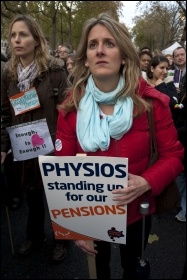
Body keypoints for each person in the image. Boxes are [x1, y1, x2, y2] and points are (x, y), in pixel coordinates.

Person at [54, 13, 184, 279]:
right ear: (86, 58)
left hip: (138, 211)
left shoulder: (152, 104)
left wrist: (147, 181)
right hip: (91, 214)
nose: (100, 50)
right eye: (93, 45)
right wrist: (76, 227)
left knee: (133, 270)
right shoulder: (70, 108)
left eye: (109, 43)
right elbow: (62, 169)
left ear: (124, 55)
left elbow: (174, 156)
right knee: (98, 271)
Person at [1, 14, 69, 262]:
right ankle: (35, 236)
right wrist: (3, 147)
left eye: (23, 34)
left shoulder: (55, 72)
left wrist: (63, 146)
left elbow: (68, 113)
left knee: (57, 198)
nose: (17, 40)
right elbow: (5, 114)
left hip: (52, 149)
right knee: (32, 196)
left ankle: (63, 240)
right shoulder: (8, 75)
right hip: (24, 150)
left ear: (36, 39)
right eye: (13, 35)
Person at [172, 46, 186, 222]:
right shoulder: (171, 74)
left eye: (183, 54)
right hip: (176, 124)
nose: (180, 58)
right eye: (177, 56)